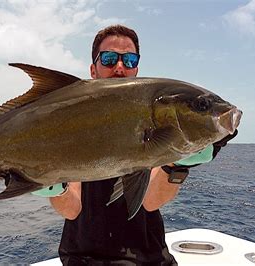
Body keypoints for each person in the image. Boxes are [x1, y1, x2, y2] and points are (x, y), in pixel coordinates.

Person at [32, 25, 237, 265]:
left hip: (148, 258)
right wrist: (52, 186)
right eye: (109, 59)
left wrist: (178, 165)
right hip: (84, 258)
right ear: (93, 70)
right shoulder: (68, 119)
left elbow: (150, 201)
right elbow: (72, 209)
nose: (119, 67)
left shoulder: (150, 117)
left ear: (136, 69)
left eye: (128, 60)